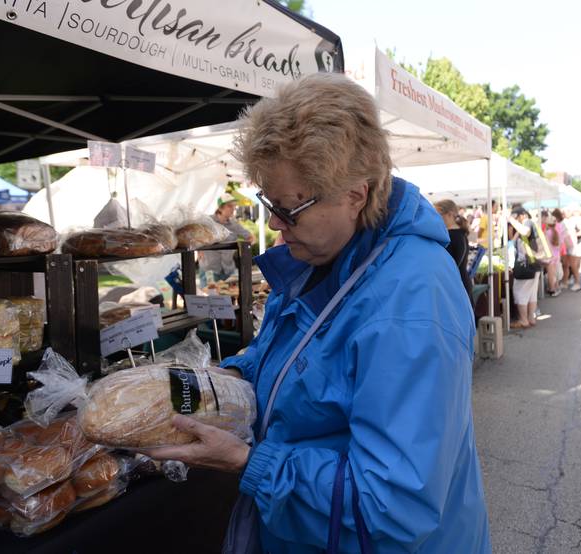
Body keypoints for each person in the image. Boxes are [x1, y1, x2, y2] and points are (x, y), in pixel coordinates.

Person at [143, 73, 490, 553]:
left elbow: (391, 505)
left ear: (355, 194)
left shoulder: (410, 302)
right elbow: (285, 364)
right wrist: (219, 382)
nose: (274, 225)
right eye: (269, 203)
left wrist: (250, 463)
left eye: (289, 208)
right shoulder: (321, 257)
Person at [197, 193, 255, 287]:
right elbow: (195, 237)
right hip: (209, 270)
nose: (233, 208)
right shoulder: (207, 221)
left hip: (228, 270)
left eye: (234, 206)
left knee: (231, 298)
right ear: (220, 208)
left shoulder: (234, 224)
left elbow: (251, 238)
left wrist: (243, 249)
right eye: (229, 206)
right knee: (209, 299)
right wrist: (199, 250)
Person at [434, 199, 474, 305]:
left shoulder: (453, 236)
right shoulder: (459, 234)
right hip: (460, 283)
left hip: (456, 286)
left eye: (438, 214)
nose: (435, 218)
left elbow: (450, 265)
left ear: (449, 215)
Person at [508, 207, 541, 328]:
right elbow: (513, 241)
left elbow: (525, 232)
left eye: (515, 217)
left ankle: (523, 320)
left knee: (520, 292)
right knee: (531, 294)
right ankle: (531, 318)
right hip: (533, 264)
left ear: (522, 215)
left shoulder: (528, 222)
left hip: (526, 265)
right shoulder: (529, 224)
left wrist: (511, 219)